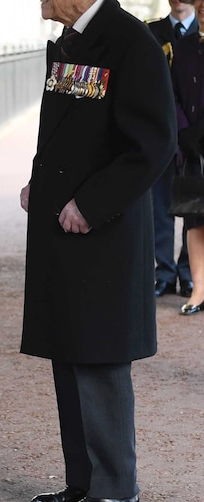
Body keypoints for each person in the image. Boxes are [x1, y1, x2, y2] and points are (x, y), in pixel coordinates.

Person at [20, 0, 176, 502]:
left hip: (101, 230)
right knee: (69, 351)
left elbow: (153, 144)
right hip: (60, 224)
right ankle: (83, 480)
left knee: (99, 358)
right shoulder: (73, 37)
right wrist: (39, 184)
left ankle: (116, 488)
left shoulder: (131, 42)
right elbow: (70, 130)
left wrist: (91, 203)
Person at [147, 0, 198, 298]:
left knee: (193, 208)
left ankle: (188, 273)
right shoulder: (152, 33)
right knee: (161, 208)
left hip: (195, 139)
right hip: (162, 134)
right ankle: (163, 274)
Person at [171, 0, 204, 315]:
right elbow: (173, 94)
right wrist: (186, 132)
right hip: (192, 148)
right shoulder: (182, 47)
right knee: (195, 221)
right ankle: (198, 291)